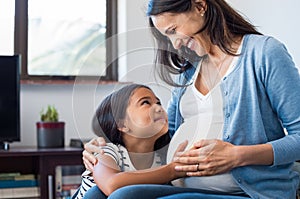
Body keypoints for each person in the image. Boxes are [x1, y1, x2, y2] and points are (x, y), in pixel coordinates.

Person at [82, 0, 300, 198]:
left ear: (200, 6)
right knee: (94, 195)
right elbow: (166, 140)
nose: (175, 44)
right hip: (180, 185)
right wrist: (107, 148)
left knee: (124, 197)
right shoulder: (188, 72)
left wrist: (237, 156)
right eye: (167, 36)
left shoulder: (263, 53)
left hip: (246, 192)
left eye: (174, 30)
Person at [72, 84, 189, 199]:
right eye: (145, 102)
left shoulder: (161, 159)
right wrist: (172, 170)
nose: (159, 108)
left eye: (158, 103)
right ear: (122, 124)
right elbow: (111, 184)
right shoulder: (107, 152)